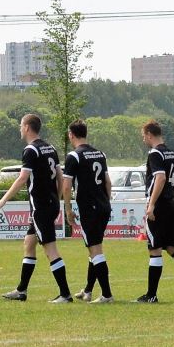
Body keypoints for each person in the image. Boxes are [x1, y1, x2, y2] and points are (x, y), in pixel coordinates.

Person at [0, 113, 73, 303]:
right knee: (29, 243)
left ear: (27, 127)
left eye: (21, 125)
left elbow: (22, 178)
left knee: (50, 249)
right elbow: (60, 177)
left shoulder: (31, 150)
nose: (20, 128)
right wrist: (57, 199)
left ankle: (65, 294)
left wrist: (2, 201)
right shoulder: (49, 148)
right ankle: (21, 290)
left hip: (40, 207)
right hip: (50, 204)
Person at [136, 119, 174, 303]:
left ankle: (151, 295)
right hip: (172, 202)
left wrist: (151, 204)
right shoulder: (171, 152)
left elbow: (161, 178)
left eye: (143, 136)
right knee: (173, 247)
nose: (143, 140)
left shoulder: (154, 153)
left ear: (149, 134)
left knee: (154, 248)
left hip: (161, 204)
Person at [63, 120, 115, 303]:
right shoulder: (100, 153)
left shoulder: (74, 156)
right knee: (95, 248)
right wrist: (106, 202)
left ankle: (107, 295)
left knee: (95, 251)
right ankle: (88, 290)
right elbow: (108, 182)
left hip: (89, 208)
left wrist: (68, 209)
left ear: (71, 135)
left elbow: (67, 185)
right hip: (103, 205)